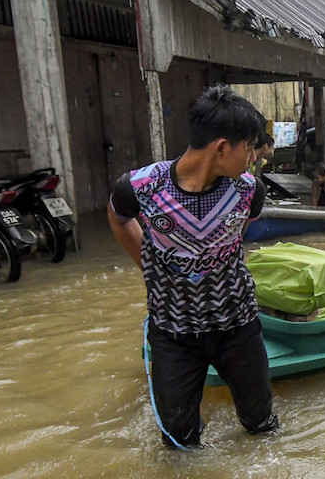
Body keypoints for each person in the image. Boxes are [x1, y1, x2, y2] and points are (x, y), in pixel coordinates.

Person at [107, 84, 279, 448]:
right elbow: (119, 217)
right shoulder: (140, 187)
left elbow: (234, 239)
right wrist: (149, 265)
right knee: (179, 441)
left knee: (261, 424)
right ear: (221, 148)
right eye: (249, 147)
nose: (253, 158)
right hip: (173, 332)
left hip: (238, 325)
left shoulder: (249, 191)